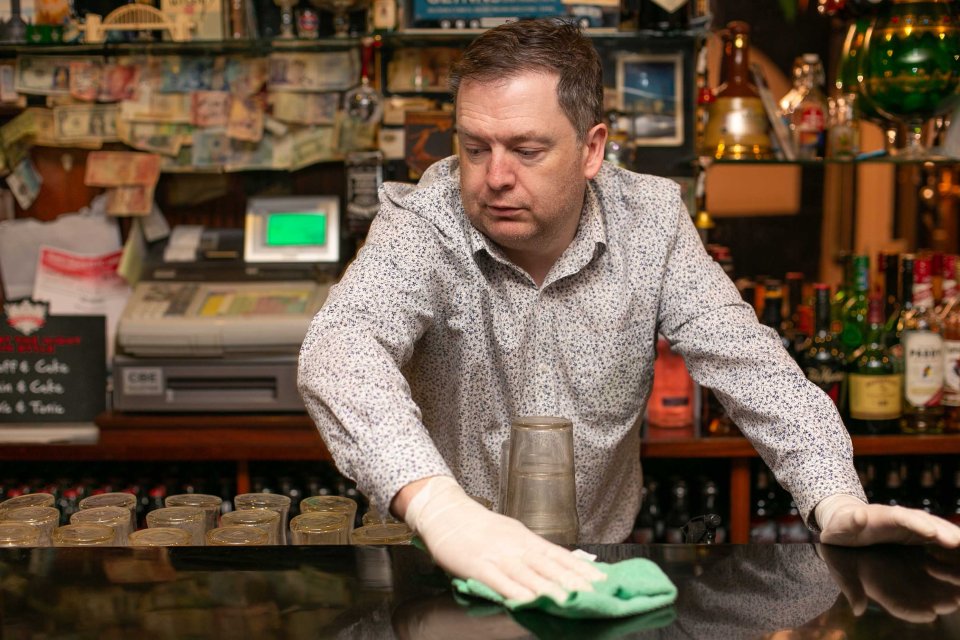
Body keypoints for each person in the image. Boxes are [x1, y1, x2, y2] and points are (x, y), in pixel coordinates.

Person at [298, 18, 960, 603]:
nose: (494, 176)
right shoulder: (424, 221)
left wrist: (834, 497)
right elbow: (340, 349)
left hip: (599, 571)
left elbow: (752, 367)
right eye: (474, 147)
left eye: (526, 150)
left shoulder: (652, 221)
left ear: (592, 149)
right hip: (432, 572)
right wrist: (445, 513)